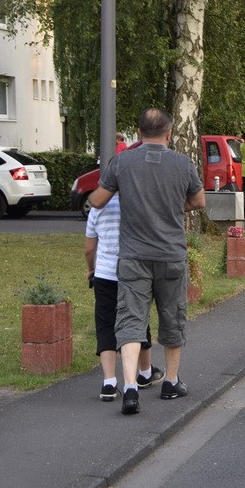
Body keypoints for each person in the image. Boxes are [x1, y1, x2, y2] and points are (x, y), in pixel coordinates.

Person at [88, 108, 206, 416]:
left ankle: (129, 387)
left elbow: (96, 201)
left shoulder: (122, 161)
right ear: (168, 134)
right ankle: (171, 381)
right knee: (173, 316)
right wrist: (171, 205)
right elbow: (199, 201)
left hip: (133, 257)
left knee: (130, 319)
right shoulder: (182, 163)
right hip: (171, 255)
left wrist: (128, 195)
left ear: (139, 133)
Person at [84, 195, 162, 401]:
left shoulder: (97, 208)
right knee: (137, 320)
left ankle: (109, 382)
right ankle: (145, 372)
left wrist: (91, 269)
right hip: (132, 273)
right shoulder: (136, 204)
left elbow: (89, 248)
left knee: (105, 324)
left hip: (104, 274)